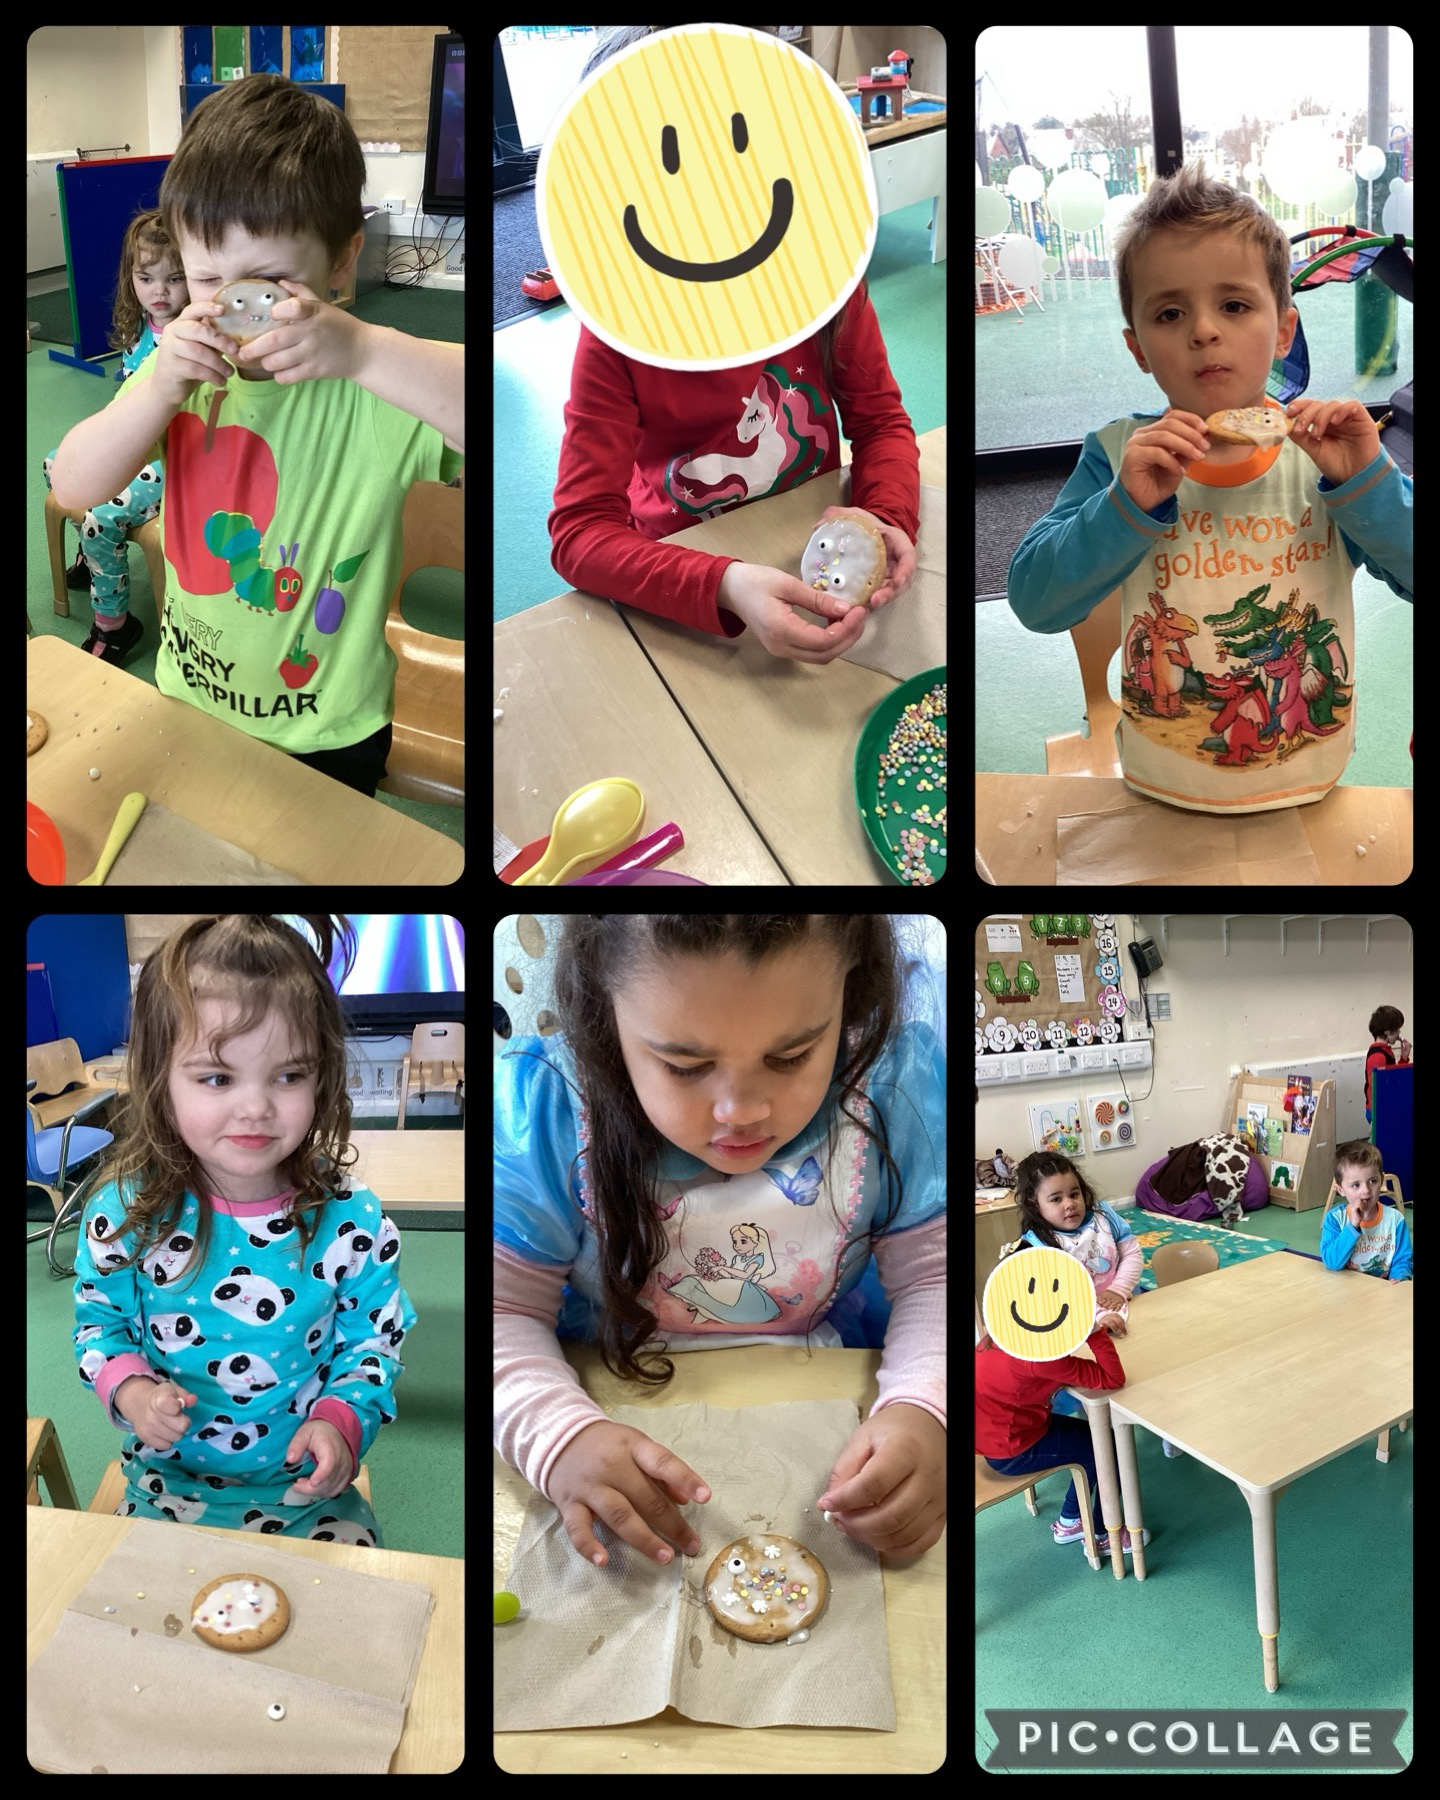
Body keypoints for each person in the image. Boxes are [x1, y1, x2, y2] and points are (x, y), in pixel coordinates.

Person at [49, 73, 464, 796]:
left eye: (268, 281)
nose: (232, 308)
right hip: (188, 696)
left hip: (327, 729)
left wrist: (366, 351)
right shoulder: (175, 381)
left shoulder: (372, 388)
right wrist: (157, 387)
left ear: (340, 262)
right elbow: (75, 485)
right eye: (207, 279)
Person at [493, 916, 945, 1567]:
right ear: (604, 1006)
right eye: (685, 1065)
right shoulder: (546, 1106)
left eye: (791, 1057)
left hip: (819, 1395)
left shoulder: (898, 1081)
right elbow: (503, 1312)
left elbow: (935, 1282)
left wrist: (926, 1406)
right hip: (604, 1390)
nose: (742, 1110)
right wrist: (558, 1435)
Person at [1007, 159, 1412, 817]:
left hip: (1309, 788)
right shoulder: (1118, 458)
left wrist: (1367, 484)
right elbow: (1033, 601)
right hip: (1158, 792)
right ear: (1138, 347)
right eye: (1170, 313)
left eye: (1233, 304)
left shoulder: (1325, 458)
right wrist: (1124, 508)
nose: (1203, 330)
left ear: (1282, 329)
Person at [547, 27, 919, 666]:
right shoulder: (615, 334)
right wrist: (721, 583)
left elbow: (882, 422)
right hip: (683, 577)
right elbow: (580, 534)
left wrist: (884, 515)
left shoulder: (825, 286)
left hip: (810, 545)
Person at [71, 915, 416, 1542]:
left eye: (289, 1075)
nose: (256, 1106)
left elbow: (374, 1340)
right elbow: (100, 1327)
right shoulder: (125, 1215)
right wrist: (131, 1394)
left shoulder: (353, 1219)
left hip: (310, 1495)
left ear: (322, 1075)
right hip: (164, 1492)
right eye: (217, 1078)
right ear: (160, 1079)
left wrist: (342, 1419)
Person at [42, 211, 185, 665]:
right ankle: (95, 555)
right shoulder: (142, 326)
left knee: (101, 516)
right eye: (146, 277)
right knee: (56, 462)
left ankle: (116, 626)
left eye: (174, 278)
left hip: (173, 460)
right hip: (136, 445)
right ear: (131, 277)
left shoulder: (191, 335)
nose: (159, 292)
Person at [1320, 1141, 1412, 1281]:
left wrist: (1399, 1278)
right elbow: (1332, 1263)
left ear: (1381, 1180)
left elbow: (1403, 1260)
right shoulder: (1335, 1219)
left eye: (1373, 1181)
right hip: (1346, 1290)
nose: (1366, 1191)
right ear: (1340, 1190)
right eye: (1356, 1185)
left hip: (1381, 1293)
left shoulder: (1395, 1220)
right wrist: (1352, 1226)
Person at [1364, 1004, 1412, 1126]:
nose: (1399, 1032)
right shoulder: (1378, 1057)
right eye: (1396, 1029)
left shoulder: (1385, 1050)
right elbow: (1378, 1089)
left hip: (1383, 1108)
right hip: (1378, 1110)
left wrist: (1404, 1058)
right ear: (1387, 1031)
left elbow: (1394, 1076)